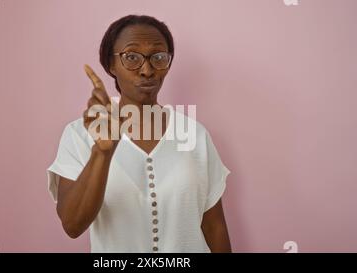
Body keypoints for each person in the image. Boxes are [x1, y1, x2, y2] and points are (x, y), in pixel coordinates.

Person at [47, 14, 232, 253]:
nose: (147, 70)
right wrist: (102, 153)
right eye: (131, 57)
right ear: (111, 65)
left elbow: (215, 227)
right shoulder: (78, 134)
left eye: (158, 57)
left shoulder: (194, 134)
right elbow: (72, 225)